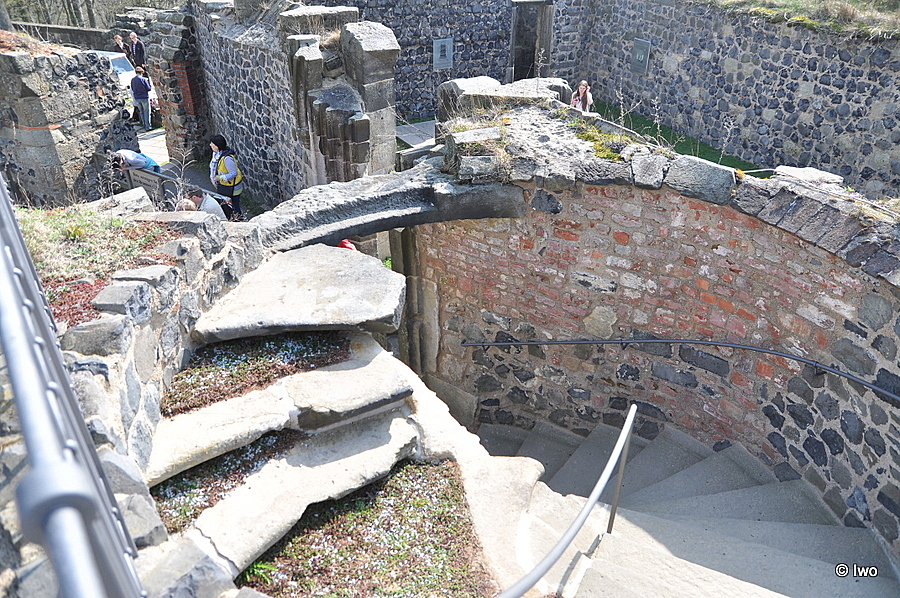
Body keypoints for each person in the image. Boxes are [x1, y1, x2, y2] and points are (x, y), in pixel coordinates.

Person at [209, 134, 244, 221]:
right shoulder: (217, 154)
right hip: (226, 185)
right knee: (226, 204)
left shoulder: (227, 159)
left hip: (233, 187)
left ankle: (239, 221)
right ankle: (232, 219)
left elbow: (233, 173)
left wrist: (219, 178)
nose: (210, 145)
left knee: (234, 206)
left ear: (217, 146)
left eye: (212, 143)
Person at [130, 67, 152, 131]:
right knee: (146, 112)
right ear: (141, 72)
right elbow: (148, 88)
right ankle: (148, 126)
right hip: (144, 97)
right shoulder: (143, 79)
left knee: (141, 111)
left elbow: (132, 88)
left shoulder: (133, 80)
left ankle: (144, 124)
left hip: (137, 97)